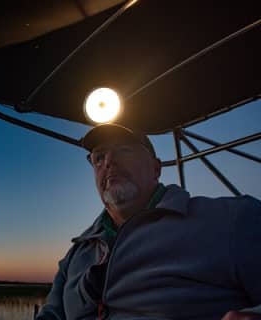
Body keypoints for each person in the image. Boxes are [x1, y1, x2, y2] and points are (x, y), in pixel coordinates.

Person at [36, 124, 261, 320]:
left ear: (156, 168)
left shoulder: (232, 220)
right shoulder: (77, 253)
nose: (109, 162)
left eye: (124, 150)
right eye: (99, 157)